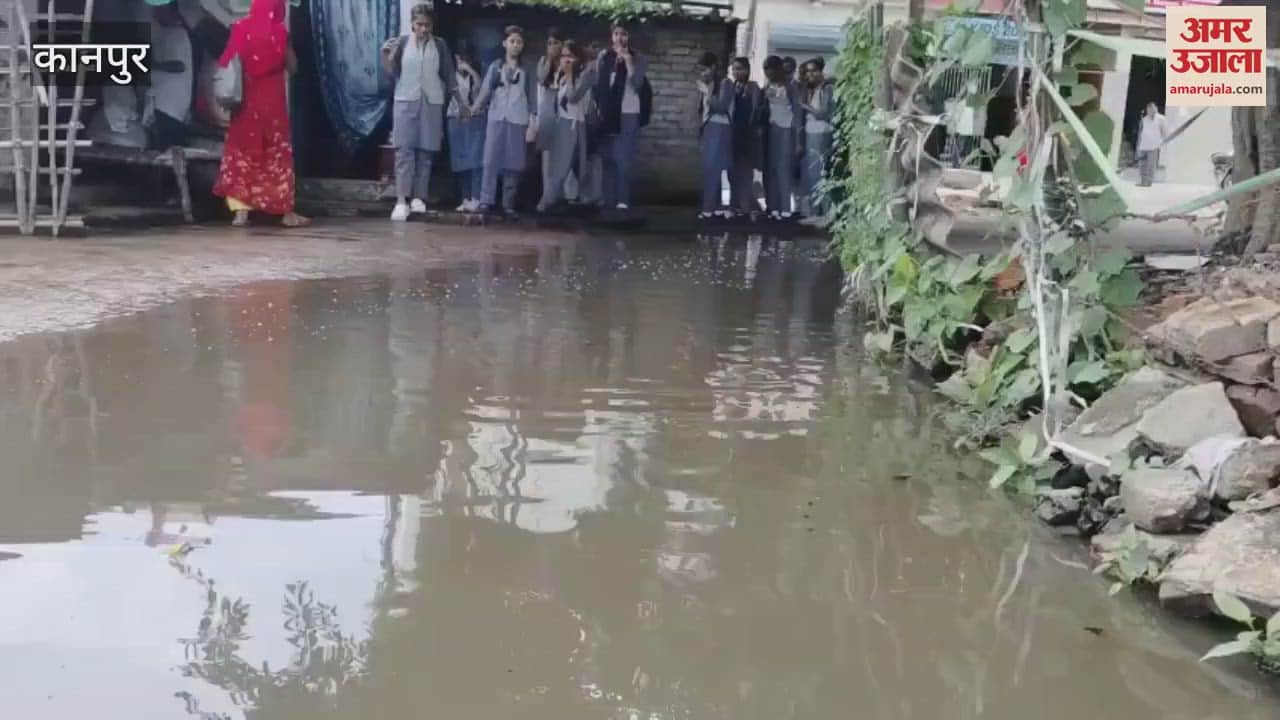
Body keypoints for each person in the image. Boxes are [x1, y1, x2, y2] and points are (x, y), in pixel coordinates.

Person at [212, 0, 308, 227]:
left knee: (242, 154)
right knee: (276, 155)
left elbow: (226, 61)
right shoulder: (280, 33)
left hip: (245, 103)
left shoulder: (240, 28)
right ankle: (285, 213)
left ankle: (241, 213)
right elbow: (293, 68)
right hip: (272, 103)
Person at [381, 5, 465, 222]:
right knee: (404, 151)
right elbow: (390, 72)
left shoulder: (440, 45)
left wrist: (461, 104)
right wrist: (385, 56)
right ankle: (401, 200)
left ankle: (419, 197)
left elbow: (449, 75)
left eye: (427, 25)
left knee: (426, 152)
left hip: (431, 101)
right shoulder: (401, 42)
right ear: (412, 24)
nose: (423, 28)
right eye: (419, 24)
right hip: (405, 100)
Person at [473, 25, 537, 218]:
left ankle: (508, 204)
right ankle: (486, 201)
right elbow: (485, 92)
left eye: (519, 42)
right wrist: (474, 109)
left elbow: (533, 97)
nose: (515, 45)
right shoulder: (496, 66)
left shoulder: (528, 69)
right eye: (512, 41)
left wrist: (533, 121)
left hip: (518, 119)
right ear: (504, 43)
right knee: (490, 159)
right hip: (496, 117)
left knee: (514, 164)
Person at [594, 22, 649, 211]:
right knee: (607, 157)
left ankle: (623, 200)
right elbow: (599, 85)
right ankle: (607, 199)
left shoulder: (638, 58)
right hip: (608, 113)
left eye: (624, 34)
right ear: (611, 36)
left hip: (628, 112)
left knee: (624, 158)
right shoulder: (604, 56)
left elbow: (637, 84)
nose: (619, 38)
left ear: (629, 37)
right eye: (616, 34)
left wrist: (628, 61)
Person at [537, 41, 595, 214]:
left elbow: (572, 97)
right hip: (559, 122)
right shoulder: (559, 76)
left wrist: (569, 76)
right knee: (556, 165)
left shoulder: (585, 75)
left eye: (570, 56)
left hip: (573, 123)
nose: (566, 60)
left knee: (571, 165)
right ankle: (550, 200)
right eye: (563, 56)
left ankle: (555, 200)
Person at [146, 0, 193, 150]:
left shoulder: (178, 34)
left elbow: (179, 66)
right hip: (161, 104)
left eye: (161, 10)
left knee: (166, 150)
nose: (156, 13)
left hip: (170, 106)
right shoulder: (163, 32)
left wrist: (153, 65)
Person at [447, 40, 485, 212]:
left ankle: (476, 197)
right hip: (455, 118)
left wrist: (471, 70)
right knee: (460, 161)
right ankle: (465, 197)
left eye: (466, 57)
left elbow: (480, 91)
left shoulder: (477, 73)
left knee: (475, 159)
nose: (462, 60)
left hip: (474, 118)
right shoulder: (450, 74)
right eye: (460, 57)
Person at [762, 55, 800, 220]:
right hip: (772, 128)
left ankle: (785, 208)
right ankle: (774, 207)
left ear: (778, 70)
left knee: (784, 168)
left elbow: (797, 113)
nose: (768, 73)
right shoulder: (767, 86)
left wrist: (798, 140)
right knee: (772, 169)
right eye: (766, 70)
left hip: (787, 129)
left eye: (771, 70)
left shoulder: (790, 87)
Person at [696, 52, 733, 219]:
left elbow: (722, 107)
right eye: (700, 70)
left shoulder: (725, 83)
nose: (702, 73)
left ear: (713, 67)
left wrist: (707, 93)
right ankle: (716, 207)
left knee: (712, 168)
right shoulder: (709, 83)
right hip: (709, 126)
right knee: (711, 168)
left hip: (720, 127)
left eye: (704, 69)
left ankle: (708, 209)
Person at [798, 57, 834, 223]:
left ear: (821, 72)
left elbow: (824, 113)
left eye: (813, 71)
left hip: (821, 133)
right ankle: (814, 212)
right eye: (807, 72)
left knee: (820, 173)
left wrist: (805, 106)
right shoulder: (810, 89)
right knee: (811, 174)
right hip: (810, 133)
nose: (809, 75)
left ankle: (822, 214)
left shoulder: (827, 88)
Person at [727, 57, 762, 217]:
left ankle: (746, 207)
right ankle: (733, 206)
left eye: (740, 68)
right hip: (732, 133)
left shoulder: (753, 87)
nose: (736, 72)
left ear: (747, 70)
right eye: (734, 69)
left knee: (746, 172)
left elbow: (755, 111)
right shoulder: (731, 87)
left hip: (748, 134)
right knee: (731, 172)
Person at [535, 28, 566, 200]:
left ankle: (560, 195)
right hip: (547, 112)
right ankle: (546, 195)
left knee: (562, 154)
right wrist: (549, 59)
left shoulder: (568, 62)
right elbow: (541, 78)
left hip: (563, 112)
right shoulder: (542, 61)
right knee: (546, 155)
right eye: (550, 43)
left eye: (556, 43)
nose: (553, 46)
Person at [1136, 101, 1168, 188]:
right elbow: (1141, 132)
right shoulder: (1144, 119)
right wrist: (1138, 145)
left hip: (1154, 146)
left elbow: (1164, 131)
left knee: (1151, 165)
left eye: (1153, 108)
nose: (1151, 110)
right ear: (1147, 110)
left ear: (1156, 109)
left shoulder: (1161, 119)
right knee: (1142, 165)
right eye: (1149, 109)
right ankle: (1143, 181)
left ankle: (1149, 182)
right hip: (1144, 145)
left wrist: (1164, 141)